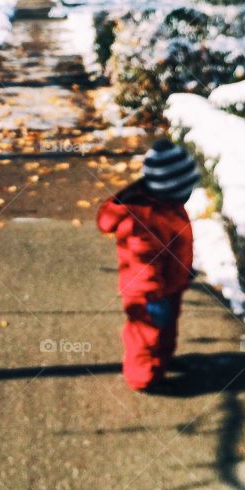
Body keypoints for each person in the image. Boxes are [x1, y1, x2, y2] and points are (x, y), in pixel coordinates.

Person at [96, 139, 199, 392]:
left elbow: (173, 244)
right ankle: (142, 377)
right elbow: (141, 265)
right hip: (148, 294)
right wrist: (151, 297)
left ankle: (161, 360)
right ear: (170, 188)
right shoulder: (143, 222)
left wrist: (183, 269)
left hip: (168, 285)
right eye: (186, 190)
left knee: (166, 329)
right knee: (145, 336)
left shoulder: (167, 205)